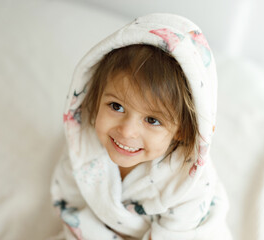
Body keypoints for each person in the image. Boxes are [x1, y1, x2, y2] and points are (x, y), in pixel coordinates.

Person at [51, 13, 231, 240]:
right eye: (116, 106)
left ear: (182, 131)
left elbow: (180, 233)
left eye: (152, 120)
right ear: (94, 98)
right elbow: (70, 205)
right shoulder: (81, 149)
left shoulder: (189, 185)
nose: (126, 131)